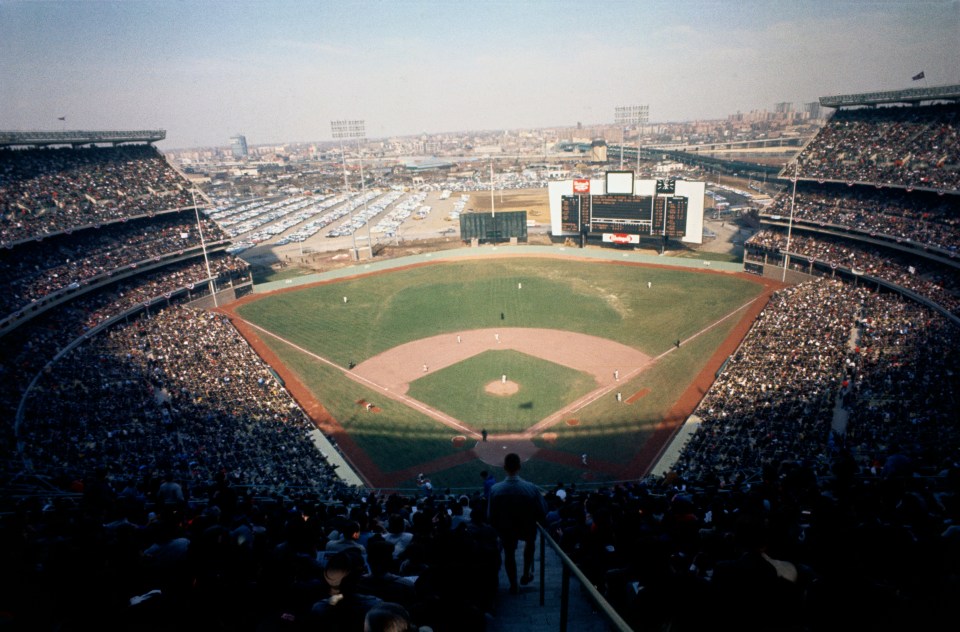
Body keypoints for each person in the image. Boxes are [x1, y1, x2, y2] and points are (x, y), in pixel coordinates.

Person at [487, 452, 547, 594]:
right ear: (519, 466)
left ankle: (514, 584)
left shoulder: (495, 489)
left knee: (509, 553)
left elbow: (490, 516)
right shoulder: (531, 487)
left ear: (504, 467)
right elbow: (543, 510)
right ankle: (526, 573)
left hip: (506, 528)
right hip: (527, 526)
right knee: (530, 543)